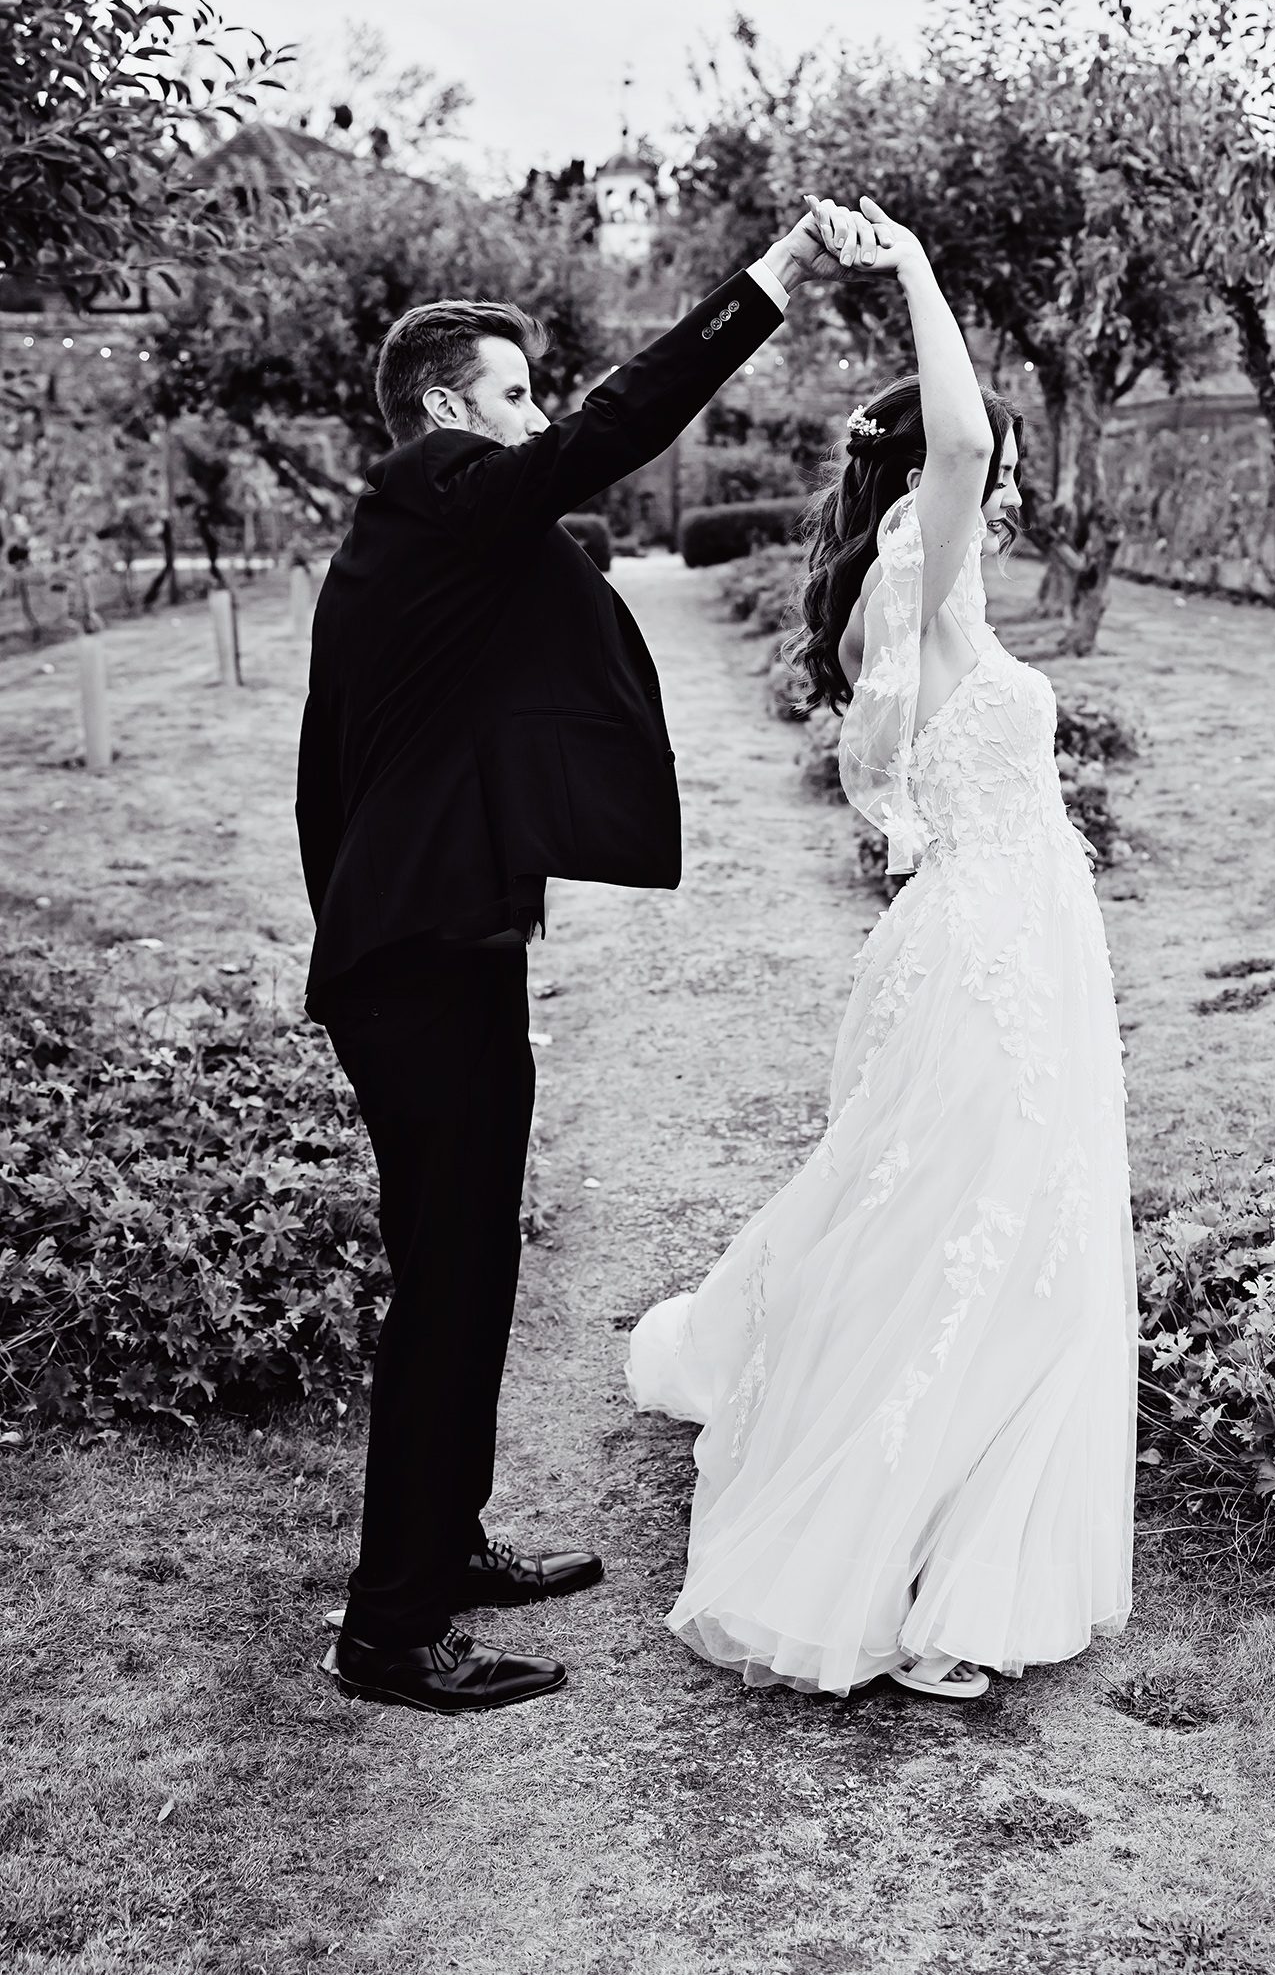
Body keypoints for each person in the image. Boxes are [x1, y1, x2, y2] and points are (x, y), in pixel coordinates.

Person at [298, 203, 858, 1715]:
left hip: (441, 950)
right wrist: (770, 283)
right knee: (448, 1283)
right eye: (516, 394)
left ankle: (446, 1546)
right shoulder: (432, 488)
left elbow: (338, 769)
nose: (540, 420)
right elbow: (615, 427)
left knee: (473, 1269)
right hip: (417, 966)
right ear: (445, 413)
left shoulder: (430, 542)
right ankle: (389, 1633)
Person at [627, 196, 1137, 1701]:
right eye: (997, 470)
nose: (1009, 484)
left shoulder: (903, 598)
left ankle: (959, 1511)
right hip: (995, 945)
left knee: (983, 1214)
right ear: (927, 482)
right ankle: (909, 1549)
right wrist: (911, 262)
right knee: (976, 1222)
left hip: (1004, 926)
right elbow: (965, 442)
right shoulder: (931, 565)